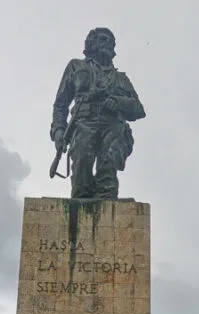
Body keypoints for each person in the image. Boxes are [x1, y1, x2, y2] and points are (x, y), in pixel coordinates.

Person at [50, 28, 146, 199]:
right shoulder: (76, 66)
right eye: (103, 39)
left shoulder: (121, 79)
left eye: (111, 41)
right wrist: (58, 130)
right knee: (81, 178)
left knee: (107, 177)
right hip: (83, 124)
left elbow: (138, 109)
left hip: (112, 127)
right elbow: (61, 104)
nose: (108, 43)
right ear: (91, 43)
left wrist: (117, 102)